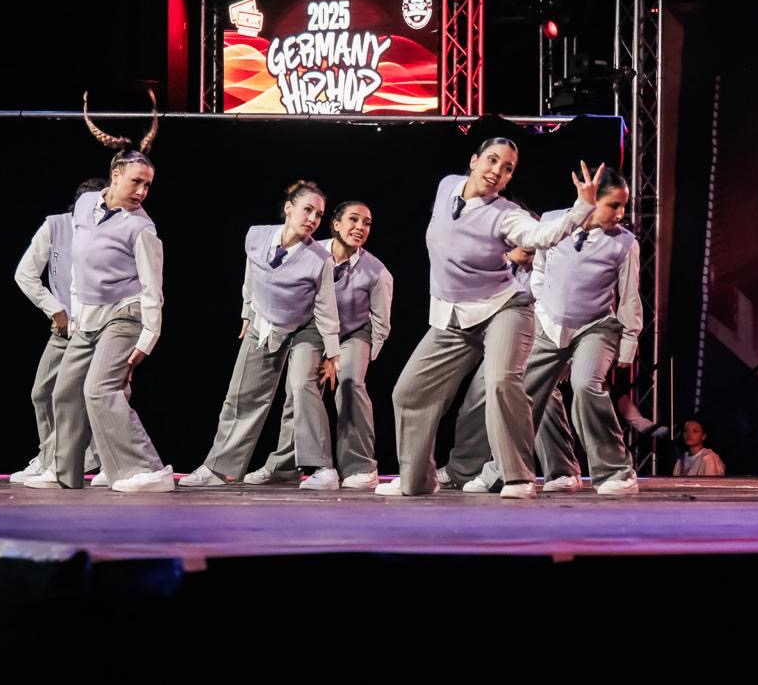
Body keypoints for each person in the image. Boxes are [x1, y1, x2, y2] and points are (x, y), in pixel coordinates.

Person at [382, 136, 603, 499]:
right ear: (474, 161)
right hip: (453, 315)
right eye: (492, 161)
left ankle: (517, 476)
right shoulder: (447, 187)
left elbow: (540, 235)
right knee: (409, 392)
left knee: (501, 382)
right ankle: (417, 481)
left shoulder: (506, 215)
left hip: (505, 310)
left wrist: (580, 209)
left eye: (507, 168)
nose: (497, 171)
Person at [446, 167, 643, 497]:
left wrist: (629, 344)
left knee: (585, 384)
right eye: (613, 205)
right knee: (521, 394)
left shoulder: (624, 243)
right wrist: (539, 314)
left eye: (624, 206)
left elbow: (629, 297)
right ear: (591, 202)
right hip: (549, 323)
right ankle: (503, 470)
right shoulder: (554, 221)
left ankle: (615, 470)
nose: (620, 214)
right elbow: (539, 270)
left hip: (595, 326)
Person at [28, 96, 172, 492]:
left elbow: (151, 289)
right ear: (114, 175)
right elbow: (77, 261)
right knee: (64, 391)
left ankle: (145, 469)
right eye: (136, 182)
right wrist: (73, 308)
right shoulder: (86, 203)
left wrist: (148, 339)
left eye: (147, 185)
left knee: (100, 389)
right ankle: (65, 473)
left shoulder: (142, 228)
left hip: (124, 316)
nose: (142, 191)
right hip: (87, 317)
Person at [178, 181, 343, 490]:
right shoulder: (256, 235)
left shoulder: (320, 258)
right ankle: (219, 469)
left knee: (301, 387)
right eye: (307, 210)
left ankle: (321, 468)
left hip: (306, 328)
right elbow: (251, 275)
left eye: (319, 215)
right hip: (264, 322)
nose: (312, 219)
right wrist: (247, 311)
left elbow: (326, 309)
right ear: (289, 208)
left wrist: (333, 355)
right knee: (241, 396)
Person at [243, 200, 394, 491]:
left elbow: (381, 324)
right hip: (315, 330)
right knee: (299, 387)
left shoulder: (377, 272)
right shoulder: (311, 254)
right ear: (335, 225)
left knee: (350, 382)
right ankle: (284, 465)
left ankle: (361, 467)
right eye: (353, 220)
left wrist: (352, 359)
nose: (360, 227)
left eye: (366, 223)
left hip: (354, 334)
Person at [10, 177, 107, 486]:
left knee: (94, 395)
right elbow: (25, 274)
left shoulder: (111, 230)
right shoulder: (57, 226)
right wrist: (55, 309)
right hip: (66, 329)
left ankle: (100, 459)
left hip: (97, 327)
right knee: (43, 392)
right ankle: (50, 456)